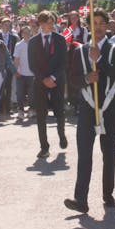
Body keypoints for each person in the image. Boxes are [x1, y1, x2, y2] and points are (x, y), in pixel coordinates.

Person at [64, 9, 115, 214]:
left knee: (108, 153)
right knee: (84, 153)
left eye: (101, 23)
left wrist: (99, 61)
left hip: (109, 108)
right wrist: (85, 79)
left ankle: (108, 194)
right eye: (94, 23)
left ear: (107, 26)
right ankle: (80, 199)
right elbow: (72, 79)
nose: (97, 27)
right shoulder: (80, 51)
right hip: (87, 108)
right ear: (88, 26)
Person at [28, 10, 69, 159]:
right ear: (41, 24)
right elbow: (32, 65)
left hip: (57, 80)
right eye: (48, 22)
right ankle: (44, 147)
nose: (51, 25)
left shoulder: (60, 39)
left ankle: (62, 135)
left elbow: (64, 63)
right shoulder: (33, 42)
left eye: (53, 22)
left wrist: (52, 77)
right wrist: (44, 79)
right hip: (40, 82)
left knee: (59, 111)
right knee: (41, 115)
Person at [13, 25, 35, 119]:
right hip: (21, 74)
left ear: (31, 33)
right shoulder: (18, 45)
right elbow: (16, 59)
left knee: (31, 94)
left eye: (28, 32)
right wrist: (16, 71)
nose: (27, 34)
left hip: (32, 74)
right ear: (22, 34)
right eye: (25, 32)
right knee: (20, 94)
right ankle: (20, 111)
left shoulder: (34, 43)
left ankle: (31, 110)